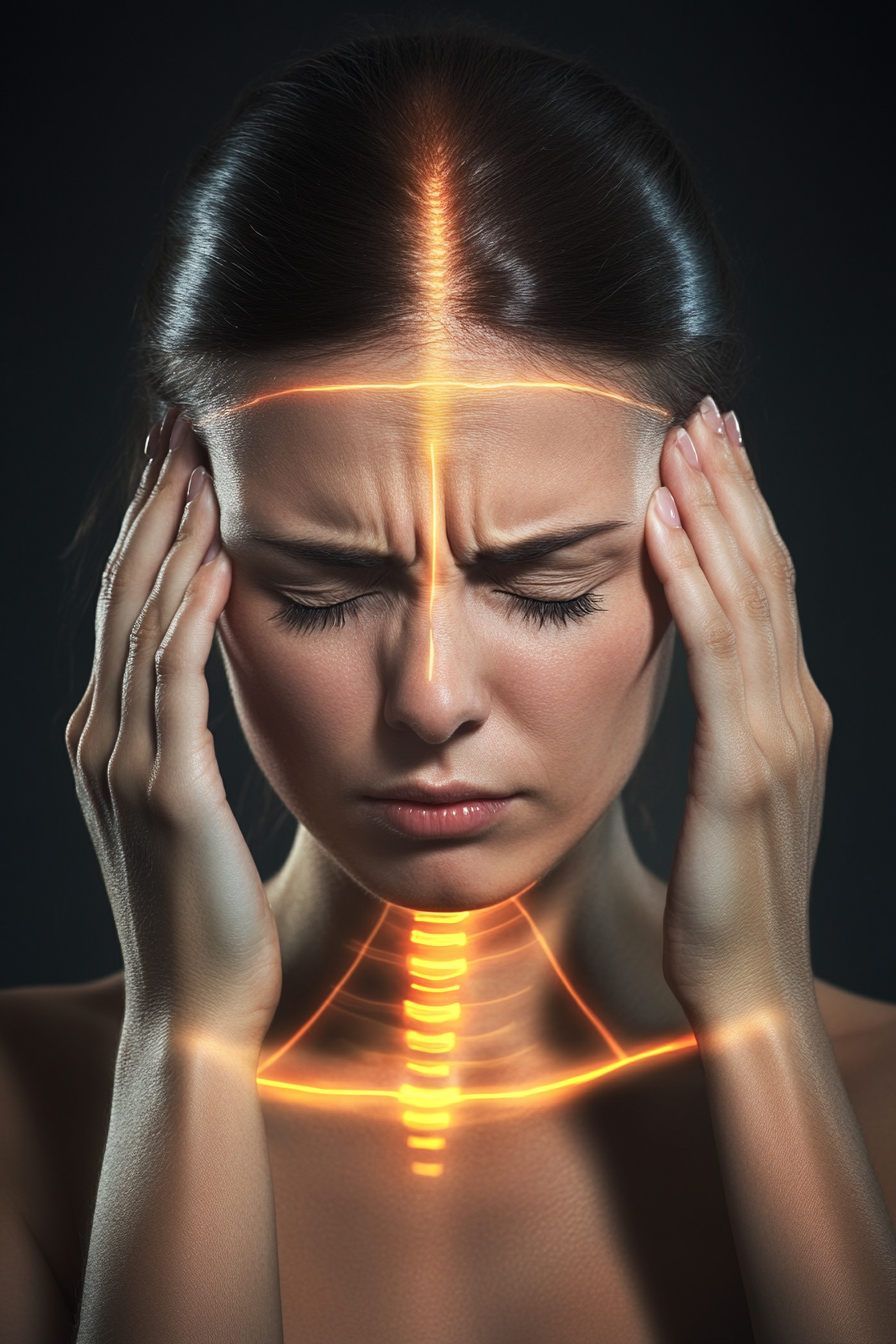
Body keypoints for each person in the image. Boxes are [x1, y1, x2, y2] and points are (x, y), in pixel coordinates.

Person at [1, 27, 894, 1344]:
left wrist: (763, 1020)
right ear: (176, 551)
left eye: (547, 588)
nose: (430, 700)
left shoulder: (877, 1111)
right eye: (321, 592)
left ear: (718, 546)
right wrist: (185, 1043)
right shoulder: (19, 1118)